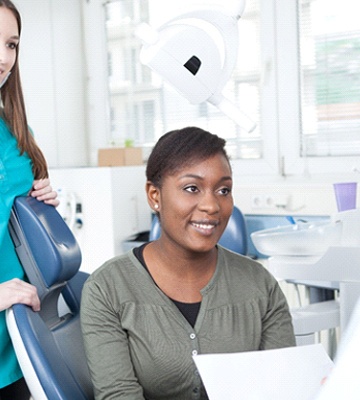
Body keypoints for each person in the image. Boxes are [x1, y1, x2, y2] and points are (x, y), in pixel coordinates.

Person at [81, 126, 296, 400]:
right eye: (192, 188)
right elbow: (118, 394)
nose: (212, 205)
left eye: (223, 190)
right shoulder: (107, 288)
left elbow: (282, 388)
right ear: (154, 196)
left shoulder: (260, 285)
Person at [0, 1, 59, 398]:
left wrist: (43, 205)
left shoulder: (16, 130)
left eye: (11, 44)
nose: (4, 58)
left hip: (18, 341)